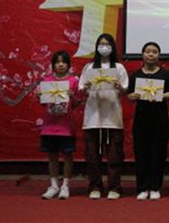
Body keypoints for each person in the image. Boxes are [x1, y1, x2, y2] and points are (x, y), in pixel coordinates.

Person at [79, 33, 129, 200]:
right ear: (96, 47)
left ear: (113, 47)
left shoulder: (119, 68)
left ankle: (114, 187)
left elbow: (125, 90)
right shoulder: (89, 67)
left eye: (107, 44)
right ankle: (95, 186)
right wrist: (86, 87)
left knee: (114, 155)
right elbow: (81, 89)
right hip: (93, 116)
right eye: (101, 44)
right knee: (92, 155)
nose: (104, 47)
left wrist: (119, 86)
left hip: (113, 116)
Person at [127, 42, 169, 201]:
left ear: (159, 55)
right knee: (141, 153)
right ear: (142, 54)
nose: (151, 54)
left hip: (159, 119)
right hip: (141, 119)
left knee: (158, 153)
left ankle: (155, 187)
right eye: (148, 51)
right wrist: (132, 96)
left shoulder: (165, 74)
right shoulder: (135, 75)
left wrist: (161, 95)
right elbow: (130, 95)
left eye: (154, 52)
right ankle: (142, 187)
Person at [37, 50, 80, 200]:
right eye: (57, 62)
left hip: (66, 127)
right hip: (49, 126)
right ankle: (54, 185)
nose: (61, 65)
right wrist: (40, 97)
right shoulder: (46, 81)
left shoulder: (73, 81)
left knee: (68, 155)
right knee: (52, 156)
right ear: (53, 65)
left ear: (68, 64)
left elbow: (77, 104)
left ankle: (65, 185)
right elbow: (43, 103)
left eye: (64, 62)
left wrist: (73, 96)